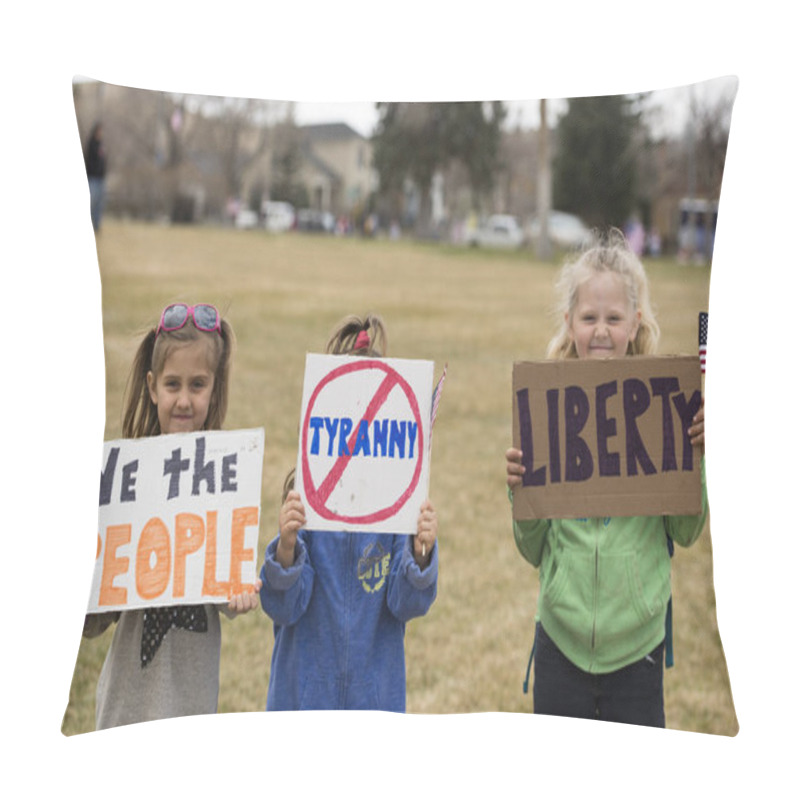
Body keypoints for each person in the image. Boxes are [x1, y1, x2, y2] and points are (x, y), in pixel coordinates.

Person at [505, 229, 708, 727]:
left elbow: (685, 532)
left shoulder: (663, 409)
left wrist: (695, 459)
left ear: (635, 323)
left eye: (614, 318)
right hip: (560, 641)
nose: (601, 330)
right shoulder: (549, 410)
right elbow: (533, 550)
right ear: (570, 322)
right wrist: (522, 493)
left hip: (638, 647)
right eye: (589, 317)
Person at [83, 302, 261, 729]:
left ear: (214, 388)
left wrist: (240, 595)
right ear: (151, 386)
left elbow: (228, 594)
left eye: (197, 385)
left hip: (190, 707)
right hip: (125, 708)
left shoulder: (224, 478)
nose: (183, 400)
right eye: (172, 384)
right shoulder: (125, 481)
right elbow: (92, 623)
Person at [259, 314, 439, 711]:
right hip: (301, 704)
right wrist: (286, 547)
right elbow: (281, 607)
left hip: (372, 707)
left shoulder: (398, 511)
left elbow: (406, 604)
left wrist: (420, 553)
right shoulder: (305, 505)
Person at [84, 122, 107, 233]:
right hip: (92, 178)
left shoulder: (101, 145)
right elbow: (89, 161)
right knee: (91, 202)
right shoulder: (91, 144)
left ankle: (97, 226)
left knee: (99, 204)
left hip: (100, 178)